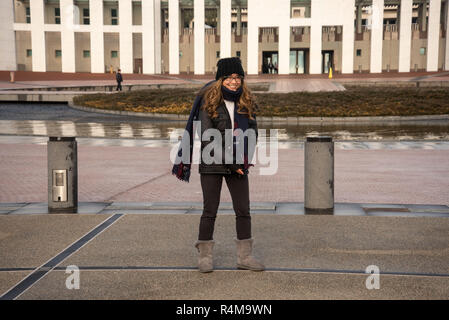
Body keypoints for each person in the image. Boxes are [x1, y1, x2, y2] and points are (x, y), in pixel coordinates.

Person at [172, 57, 264, 273]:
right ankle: (205, 257)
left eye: (237, 77)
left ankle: (245, 257)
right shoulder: (208, 101)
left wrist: (244, 160)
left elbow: (253, 132)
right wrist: (233, 163)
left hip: (238, 165)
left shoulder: (246, 101)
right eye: (229, 78)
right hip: (212, 162)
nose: (234, 82)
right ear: (220, 79)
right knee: (209, 210)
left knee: (243, 210)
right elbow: (207, 137)